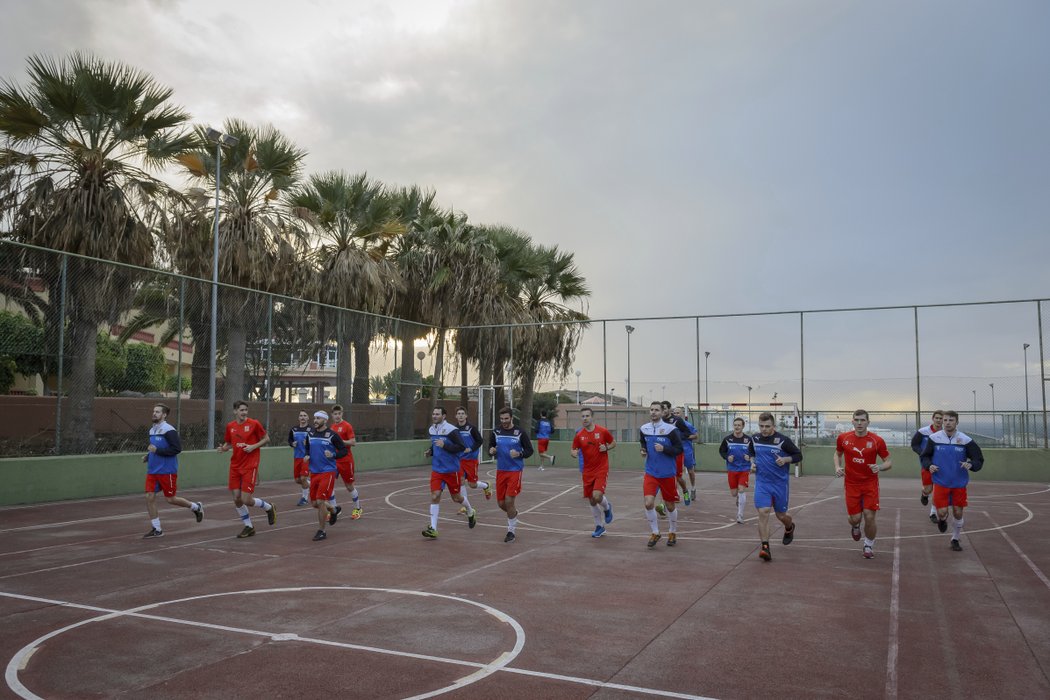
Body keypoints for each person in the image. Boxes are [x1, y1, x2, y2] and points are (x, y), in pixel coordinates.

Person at [920, 410, 984, 552]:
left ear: (957, 422)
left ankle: (955, 538)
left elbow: (978, 459)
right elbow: (925, 456)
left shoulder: (966, 440)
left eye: (951, 420)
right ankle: (942, 520)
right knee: (942, 513)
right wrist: (928, 465)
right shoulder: (934, 438)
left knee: (958, 512)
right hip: (941, 482)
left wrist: (971, 465)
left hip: (959, 484)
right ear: (942, 421)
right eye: (945, 420)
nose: (947, 423)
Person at [834, 409, 892, 559]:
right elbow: (837, 453)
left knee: (869, 516)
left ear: (868, 422)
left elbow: (888, 462)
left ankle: (868, 544)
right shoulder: (843, 438)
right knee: (855, 518)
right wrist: (837, 467)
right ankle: (855, 526)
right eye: (857, 420)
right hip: (851, 483)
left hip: (870, 484)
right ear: (852, 421)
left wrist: (879, 467)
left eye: (862, 420)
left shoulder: (876, 440)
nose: (859, 423)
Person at [142, 403, 202, 538]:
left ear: (164, 415)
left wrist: (157, 451)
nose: (154, 413)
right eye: (153, 411)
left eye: (157, 412)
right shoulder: (152, 430)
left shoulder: (169, 430)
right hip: (152, 471)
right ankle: (157, 529)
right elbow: (156, 448)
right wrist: (149, 456)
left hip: (167, 471)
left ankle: (196, 507)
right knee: (149, 496)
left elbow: (176, 449)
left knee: (170, 499)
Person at [748, 412, 803, 561]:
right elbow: (751, 452)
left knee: (781, 515)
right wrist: (752, 463)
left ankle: (789, 527)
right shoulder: (755, 438)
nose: (764, 429)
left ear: (774, 426)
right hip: (762, 483)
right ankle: (765, 547)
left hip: (779, 484)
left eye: (767, 426)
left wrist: (785, 459)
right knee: (764, 512)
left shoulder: (783, 441)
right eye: (761, 426)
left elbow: (799, 455)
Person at [218, 400, 275, 538]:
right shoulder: (230, 426)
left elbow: (266, 439)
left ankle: (268, 507)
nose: (244, 412)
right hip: (235, 466)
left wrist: (253, 446)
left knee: (246, 500)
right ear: (235, 411)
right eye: (241, 410)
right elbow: (230, 443)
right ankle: (249, 526)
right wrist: (224, 448)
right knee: (237, 498)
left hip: (250, 465)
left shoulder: (254, 424)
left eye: (245, 410)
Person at [422, 407, 471, 538]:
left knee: (457, 498)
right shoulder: (432, 429)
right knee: (434, 496)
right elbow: (434, 444)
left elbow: (461, 447)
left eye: (437, 414)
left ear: (444, 416)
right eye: (433, 413)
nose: (434, 416)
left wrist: (445, 446)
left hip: (451, 470)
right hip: (437, 470)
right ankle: (433, 528)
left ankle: (470, 511)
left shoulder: (452, 430)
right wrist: (430, 451)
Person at [640, 401, 684, 547]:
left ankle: (672, 531)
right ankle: (655, 532)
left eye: (656, 410)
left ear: (662, 412)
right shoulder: (644, 429)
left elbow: (679, 449)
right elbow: (643, 443)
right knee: (648, 503)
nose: (653, 412)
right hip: (651, 473)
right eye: (651, 410)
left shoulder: (671, 430)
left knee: (670, 506)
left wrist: (664, 448)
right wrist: (643, 450)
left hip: (667, 474)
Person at [488, 406, 534, 542]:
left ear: (512, 418)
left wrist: (519, 454)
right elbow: (490, 447)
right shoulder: (496, 431)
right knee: (501, 504)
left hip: (515, 470)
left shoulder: (520, 432)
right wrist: (491, 451)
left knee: (509, 501)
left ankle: (511, 531)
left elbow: (529, 451)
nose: (504, 421)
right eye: (501, 419)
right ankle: (513, 514)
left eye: (506, 418)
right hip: (501, 470)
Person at [570, 407, 616, 537]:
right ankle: (599, 526)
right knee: (591, 501)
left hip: (601, 468)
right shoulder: (579, 435)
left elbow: (613, 443)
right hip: (587, 470)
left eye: (587, 416)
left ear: (592, 417)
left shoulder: (602, 431)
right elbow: (573, 449)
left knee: (597, 496)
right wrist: (574, 453)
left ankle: (607, 508)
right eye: (582, 416)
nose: (584, 418)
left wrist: (606, 447)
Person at [302, 410, 346, 541]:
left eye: (318, 418)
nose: (315, 421)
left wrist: (333, 455)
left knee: (321, 501)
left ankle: (322, 531)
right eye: (314, 418)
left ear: (325, 420)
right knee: (315, 503)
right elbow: (308, 447)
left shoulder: (332, 435)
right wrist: (307, 454)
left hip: (328, 471)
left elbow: (343, 450)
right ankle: (333, 509)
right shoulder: (310, 434)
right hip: (314, 472)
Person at [454, 406, 492, 515]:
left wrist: (470, 449)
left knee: (472, 485)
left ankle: (486, 485)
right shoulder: (454, 429)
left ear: (466, 416)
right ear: (456, 416)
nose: (460, 415)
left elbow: (479, 441)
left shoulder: (471, 428)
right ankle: (466, 507)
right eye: (459, 413)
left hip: (471, 460)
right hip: (459, 460)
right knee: (460, 482)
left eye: (462, 413)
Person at [718, 417, 754, 524]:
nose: (737, 427)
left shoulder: (748, 440)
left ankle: (740, 515)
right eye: (735, 425)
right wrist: (727, 457)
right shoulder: (727, 439)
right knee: (734, 493)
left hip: (744, 468)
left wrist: (750, 457)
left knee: (741, 489)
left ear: (743, 426)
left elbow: (753, 453)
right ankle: (738, 497)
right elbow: (722, 451)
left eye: (739, 425)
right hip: (732, 469)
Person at [329, 404, 362, 519]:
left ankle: (357, 508)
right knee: (329, 484)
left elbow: (353, 442)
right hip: (334, 460)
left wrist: (340, 442)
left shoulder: (347, 426)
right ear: (332, 415)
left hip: (346, 460)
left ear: (342, 414)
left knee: (349, 486)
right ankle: (335, 509)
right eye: (335, 414)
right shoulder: (332, 428)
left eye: (339, 414)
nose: (337, 416)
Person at [911, 410, 944, 524]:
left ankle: (933, 513)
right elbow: (914, 444)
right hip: (926, 464)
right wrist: (922, 452)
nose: (939, 420)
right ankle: (924, 494)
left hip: (941, 465)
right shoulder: (923, 431)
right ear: (933, 418)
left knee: (937, 490)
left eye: (941, 418)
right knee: (928, 489)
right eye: (937, 418)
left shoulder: (946, 433)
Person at [662, 401, 695, 506]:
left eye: (665, 409)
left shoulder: (677, 421)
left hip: (677, 452)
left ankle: (685, 491)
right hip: (664, 452)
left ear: (669, 409)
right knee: (664, 476)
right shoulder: (659, 421)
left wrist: (677, 437)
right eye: (661, 409)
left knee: (678, 477)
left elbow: (688, 433)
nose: (663, 411)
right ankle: (667, 501)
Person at [672, 405, 700, 503]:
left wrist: (685, 437)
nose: (676, 415)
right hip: (676, 451)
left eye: (678, 413)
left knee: (690, 471)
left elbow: (696, 436)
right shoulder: (671, 425)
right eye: (674, 413)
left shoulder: (687, 425)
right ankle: (678, 492)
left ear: (682, 414)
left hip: (687, 450)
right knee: (676, 473)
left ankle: (693, 488)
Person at [288, 410, 311, 506]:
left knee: (303, 478)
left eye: (305, 415)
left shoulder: (311, 430)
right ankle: (312, 484)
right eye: (301, 415)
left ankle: (304, 498)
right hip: (297, 457)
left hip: (306, 457)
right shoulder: (294, 429)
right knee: (298, 480)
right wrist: (292, 443)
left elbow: (315, 442)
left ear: (308, 418)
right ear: (298, 418)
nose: (302, 417)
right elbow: (290, 440)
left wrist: (309, 444)